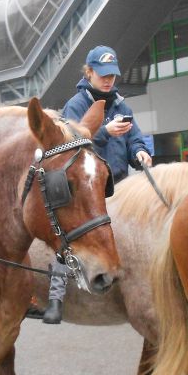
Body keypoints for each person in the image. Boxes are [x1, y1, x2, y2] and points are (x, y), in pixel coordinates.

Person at [34, 45, 152, 325]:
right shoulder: (76, 105)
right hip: (87, 188)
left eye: (112, 75)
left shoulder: (122, 105)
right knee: (70, 231)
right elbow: (70, 147)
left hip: (120, 183)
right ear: (88, 73)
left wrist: (140, 152)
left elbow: (135, 136)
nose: (108, 80)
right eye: (102, 74)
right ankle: (55, 298)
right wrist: (103, 132)